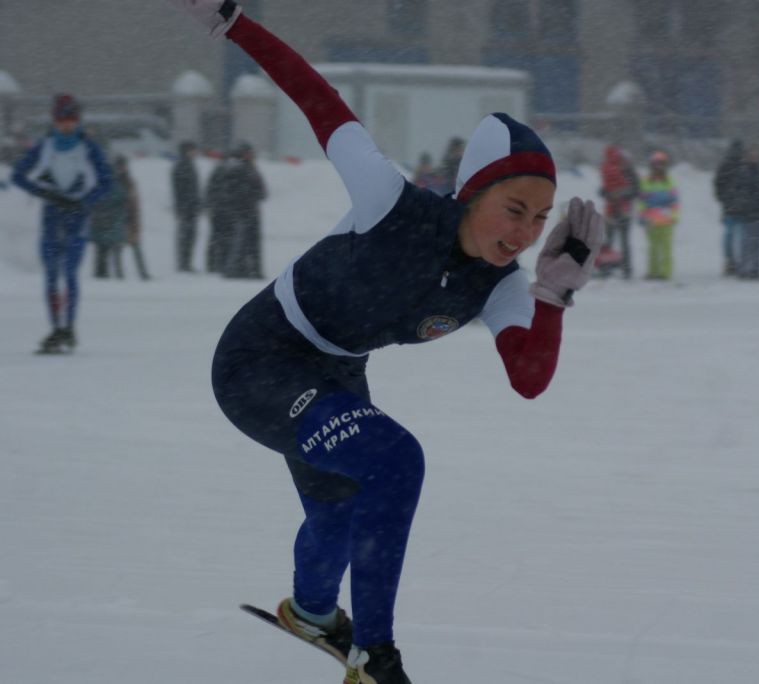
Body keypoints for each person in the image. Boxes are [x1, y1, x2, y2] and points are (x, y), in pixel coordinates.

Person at [167, 3, 604, 683]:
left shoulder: (504, 286)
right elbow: (316, 95)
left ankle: (312, 614)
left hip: (338, 374)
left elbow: (528, 376)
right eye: (513, 210)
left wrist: (552, 296)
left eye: (540, 218)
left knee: (339, 513)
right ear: (472, 195)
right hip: (260, 360)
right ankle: (375, 655)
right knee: (395, 462)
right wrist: (233, 22)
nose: (523, 233)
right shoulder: (387, 198)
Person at [11, 93, 111, 353]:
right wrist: (43, 192)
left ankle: (69, 327)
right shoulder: (45, 145)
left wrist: (84, 201)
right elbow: (17, 175)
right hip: (52, 217)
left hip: (76, 219)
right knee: (51, 276)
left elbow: (106, 181)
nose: (65, 126)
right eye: (61, 121)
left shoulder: (88, 147)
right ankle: (56, 329)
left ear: (77, 121)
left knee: (69, 274)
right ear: (54, 121)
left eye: (70, 121)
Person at [220, 141, 266, 279]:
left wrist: (254, 194)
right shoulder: (237, 169)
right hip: (242, 213)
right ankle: (235, 270)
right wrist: (248, 195)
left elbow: (261, 191)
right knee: (240, 244)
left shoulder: (251, 169)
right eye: (249, 153)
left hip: (251, 212)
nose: (251, 155)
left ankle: (252, 271)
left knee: (251, 244)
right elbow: (231, 192)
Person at [636, 150, 679, 280]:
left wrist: (674, 216)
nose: (658, 166)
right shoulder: (646, 181)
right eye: (656, 164)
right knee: (652, 249)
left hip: (666, 220)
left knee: (665, 248)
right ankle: (652, 272)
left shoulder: (670, 181)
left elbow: (674, 202)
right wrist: (642, 216)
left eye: (661, 164)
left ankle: (665, 273)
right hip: (651, 221)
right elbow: (642, 201)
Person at [599, 143, 639, 279]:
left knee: (613, 240)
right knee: (622, 240)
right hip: (622, 209)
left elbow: (635, 190)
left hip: (614, 209)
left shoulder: (607, 168)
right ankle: (624, 269)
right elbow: (635, 190)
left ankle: (609, 268)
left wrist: (612, 194)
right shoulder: (627, 169)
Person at [88, 155, 130, 279]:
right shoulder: (114, 185)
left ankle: (100, 273)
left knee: (101, 250)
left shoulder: (97, 184)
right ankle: (112, 274)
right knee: (111, 249)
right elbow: (122, 198)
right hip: (111, 222)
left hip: (99, 222)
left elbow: (92, 201)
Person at [733, 144, 759, 280]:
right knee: (746, 244)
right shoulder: (742, 172)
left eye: (756, 155)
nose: (754, 158)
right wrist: (743, 205)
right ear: (747, 157)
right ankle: (743, 269)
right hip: (747, 214)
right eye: (752, 155)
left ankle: (756, 269)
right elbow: (738, 191)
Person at [713, 139, 744, 276]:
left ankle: (731, 261)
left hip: (732, 206)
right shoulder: (733, 166)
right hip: (733, 206)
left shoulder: (726, 165)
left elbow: (717, 184)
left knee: (730, 236)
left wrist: (723, 198)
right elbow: (718, 184)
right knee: (734, 236)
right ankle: (733, 261)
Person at [117, 156, 151, 280]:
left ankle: (142, 273)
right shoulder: (117, 181)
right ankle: (120, 275)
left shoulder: (130, 181)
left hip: (130, 219)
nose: (122, 168)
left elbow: (135, 202)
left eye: (123, 165)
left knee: (135, 248)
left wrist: (135, 219)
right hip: (119, 220)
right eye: (120, 166)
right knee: (118, 249)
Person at [172, 140, 202, 272]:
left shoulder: (188, 165)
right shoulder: (183, 166)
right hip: (187, 208)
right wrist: (188, 204)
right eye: (193, 149)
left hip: (190, 207)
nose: (195, 152)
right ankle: (184, 263)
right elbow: (183, 189)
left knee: (189, 236)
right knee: (186, 236)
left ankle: (186, 262)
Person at [204, 152, 232, 273]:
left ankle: (211, 264)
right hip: (223, 211)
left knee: (215, 238)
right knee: (223, 239)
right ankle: (219, 263)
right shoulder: (226, 173)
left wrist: (210, 206)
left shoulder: (216, 172)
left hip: (216, 210)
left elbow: (209, 191)